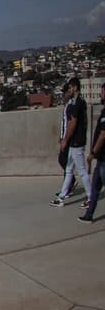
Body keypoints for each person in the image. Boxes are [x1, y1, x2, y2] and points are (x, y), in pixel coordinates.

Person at [52, 77, 88, 207]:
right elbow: (65, 124)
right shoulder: (70, 105)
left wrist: (65, 139)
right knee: (68, 168)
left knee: (78, 169)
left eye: (67, 90)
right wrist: (62, 137)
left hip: (74, 141)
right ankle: (63, 194)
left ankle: (88, 196)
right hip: (70, 140)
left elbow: (71, 124)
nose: (64, 94)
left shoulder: (74, 104)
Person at [79, 89, 105, 223]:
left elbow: (103, 135)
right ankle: (89, 215)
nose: (101, 94)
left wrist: (93, 153)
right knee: (95, 189)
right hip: (100, 160)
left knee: (96, 188)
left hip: (103, 159)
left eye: (102, 92)